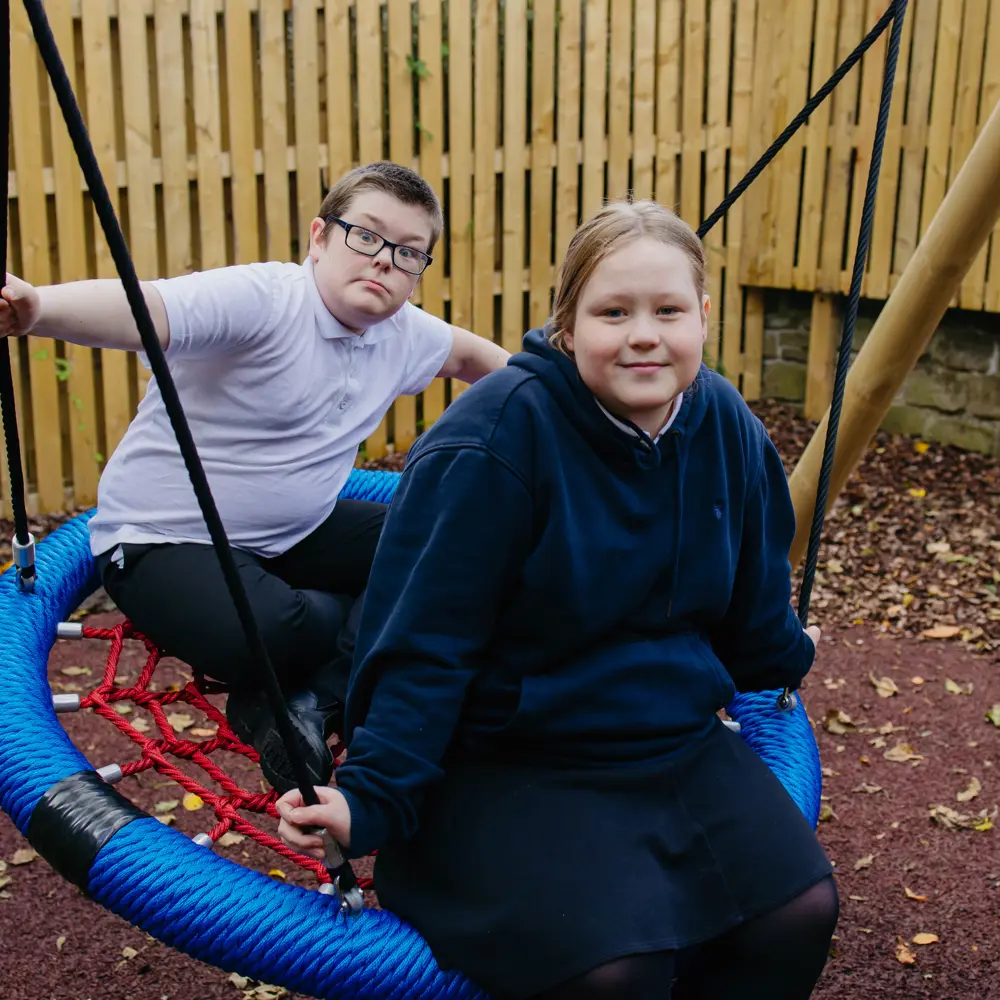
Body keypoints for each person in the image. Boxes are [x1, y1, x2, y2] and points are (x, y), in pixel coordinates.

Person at [276, 198, 839, 999]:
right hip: (509, 758)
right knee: (615, 969)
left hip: (667, 738)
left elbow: (753, 594)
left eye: (668, 310)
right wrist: (369, 797)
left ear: (703, 317)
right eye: (614, 312)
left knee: (799, 910)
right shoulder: (494, 443)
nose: (644, 334)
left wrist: (787, 654)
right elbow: (425, 645)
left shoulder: (721, 421)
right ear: (568, 326)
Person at [0, 161, 509, 795]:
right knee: (278, 628)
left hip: (297, 532)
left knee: (442, 546)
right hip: (163, 540)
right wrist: (39, 308)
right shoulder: (265, 300)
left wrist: (565, 403)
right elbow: (146, 310)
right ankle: (308, 676)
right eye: (367, 236)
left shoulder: (404, 333)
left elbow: (481, 361)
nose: (384, 261)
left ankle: (306, 706)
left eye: (409, 254)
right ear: (319, 238)